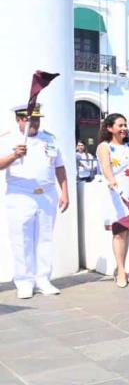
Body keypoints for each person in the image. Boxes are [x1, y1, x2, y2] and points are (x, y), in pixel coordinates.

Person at [0, 104, 69, 299]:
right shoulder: (8, 139)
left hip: (46, 193)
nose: (34, 123)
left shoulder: (49, 138)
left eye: (37, 119)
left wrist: (64, 191)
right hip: (20, 194)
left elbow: (59, 167)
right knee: (22, 239)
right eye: (29, 119)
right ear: (19, 120)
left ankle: (43, 279)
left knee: (45, 238)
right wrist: (14, 155)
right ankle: (24, 281)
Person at [97, 114, 129, 288]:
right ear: (110, 128)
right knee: (119, 232)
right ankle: (121, 271)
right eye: (120, 125)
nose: (124, 128)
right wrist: (114, 183)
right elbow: (106, 168)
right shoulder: (105, 146)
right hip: (116, 195)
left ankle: (121, 269)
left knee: (128, 232)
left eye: (125, 124)